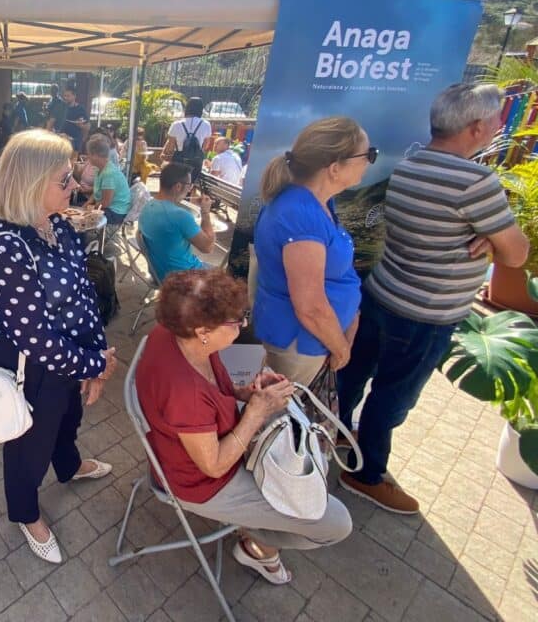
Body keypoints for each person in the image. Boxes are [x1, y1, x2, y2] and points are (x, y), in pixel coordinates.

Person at [338, 84, 529, 514]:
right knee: (392, 395)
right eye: (497, 119)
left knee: (353, 375)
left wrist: (486, 235)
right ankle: (366, 474)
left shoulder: (409, 164)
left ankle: (336, 431)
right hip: (425, 312)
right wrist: (494, 238)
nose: (499, 127)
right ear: (477, 127)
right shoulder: (476, 182)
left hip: (383, 293)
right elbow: (517, 254)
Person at [136, 269, 352, 585]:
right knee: (336, 524)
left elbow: (214, 393)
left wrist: (246, 393)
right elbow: (213, 466)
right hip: (201, 484)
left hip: (204, 442)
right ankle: (258, 543)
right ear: (203, 330)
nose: (243, 325)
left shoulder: (174, 332)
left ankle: (255, 529)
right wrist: (255, 411)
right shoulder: (186, 394)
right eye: (236, 322)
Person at [0, 129, 117, 564]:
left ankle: (70, 465)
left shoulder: (56, 224)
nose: (75, 186)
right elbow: (35, 340)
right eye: (65, 179)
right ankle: (25, 512)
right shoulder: (7, 245)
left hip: (72, 355)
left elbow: (82, 293)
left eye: (72, 175)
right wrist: (93, 363)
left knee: (68, 420)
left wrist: (95, 353)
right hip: (32, 368)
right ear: (30, 182)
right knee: (28, 446)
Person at [252, 117, 373, 386]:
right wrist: (341, 347)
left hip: (310, 340)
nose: (369, 161)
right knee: (282, 418)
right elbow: (310, 307)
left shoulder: (318, 204)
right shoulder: (301, 215)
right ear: (334, 167)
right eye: (368, 154)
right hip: (301, 343)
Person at [138, 163, 214, 280]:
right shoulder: (180, 216)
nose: (190, 188)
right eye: (189, 185)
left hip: (158, 273)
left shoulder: (148, 206)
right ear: (178, 186)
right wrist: (205, 213)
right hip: (182, 279)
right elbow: (208, 247)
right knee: (228, 280)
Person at [85, 137, 131, 226]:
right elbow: (96, 192)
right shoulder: (100, 169)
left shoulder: (108, 174)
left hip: (116, 212)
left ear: (95, 155)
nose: (87, 157)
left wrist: (89, 209)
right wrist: (86, 204)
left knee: (84, 218)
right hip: (108, 207)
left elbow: (106, 203)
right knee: (79, 207)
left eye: (89, 154)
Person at [163, 97, 211, 170]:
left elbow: (171, 147)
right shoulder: (206, 124)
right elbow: (206, 145)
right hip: (196, 160)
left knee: (178, 180)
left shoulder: (176, 124)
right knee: (192, 180)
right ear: (201, 110)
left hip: (179, 159)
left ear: (187, 108)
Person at [62, 86, 88, 153]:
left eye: (68, 96)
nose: (65, 98)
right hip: (62, 141)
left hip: (75, 142)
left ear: (74, 96)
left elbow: (87, 126)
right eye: (64, 96)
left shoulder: (80, 109)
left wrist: (81, 126)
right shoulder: (62, 108)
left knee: (73, 161)